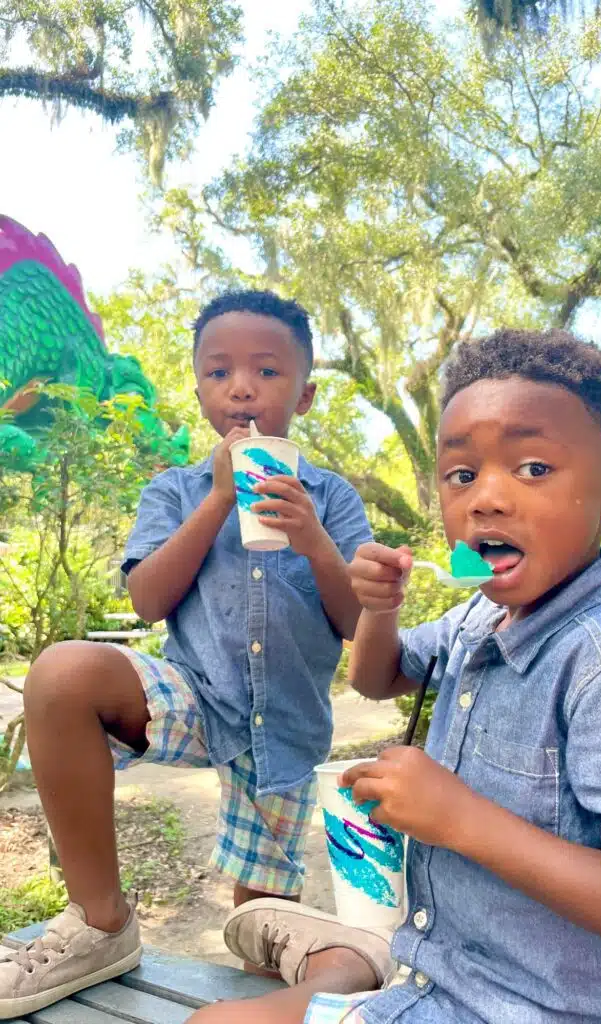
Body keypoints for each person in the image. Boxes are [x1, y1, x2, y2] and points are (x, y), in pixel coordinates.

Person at [188, 328, 601, 1024]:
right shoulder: (480, 617)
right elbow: (378, 678)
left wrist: (460, 819)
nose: (486, 499)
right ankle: (350, 963)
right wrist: (379, 608)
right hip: (442, 978)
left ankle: (345, 963)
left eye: (534, 467)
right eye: (462, 475)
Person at [0, 289, 372, 1021]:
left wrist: (314, 540)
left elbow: (357, 620)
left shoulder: (331, 498)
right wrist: (217, 501)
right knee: (64, 674)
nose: (241, 388)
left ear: (305, 396)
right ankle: (100, 921)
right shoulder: (174, 491)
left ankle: (264, 1002)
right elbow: (148, 599)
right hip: (194, 694)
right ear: (199, 390)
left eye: (268, 371)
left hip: (285, 726)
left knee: (264, 914)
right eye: (218, 371)